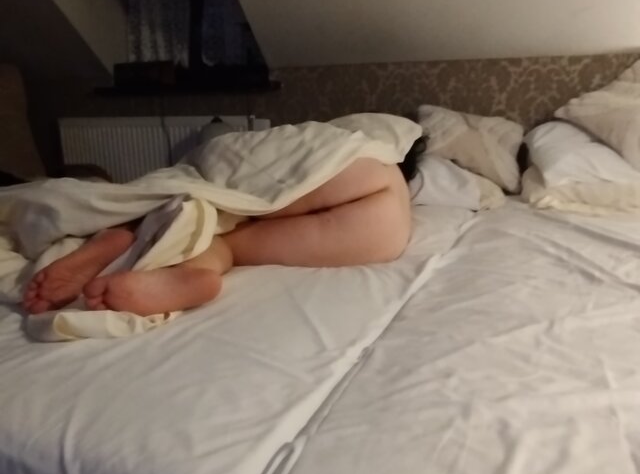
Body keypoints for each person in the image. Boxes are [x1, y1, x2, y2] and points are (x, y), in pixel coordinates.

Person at [23, 138, 426, 318]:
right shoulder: (399, 181)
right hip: (384, 232)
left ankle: (134, 230)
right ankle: (186, 265)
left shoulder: (356, 139)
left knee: (218, 209)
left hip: (350, 166)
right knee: (231, 238)